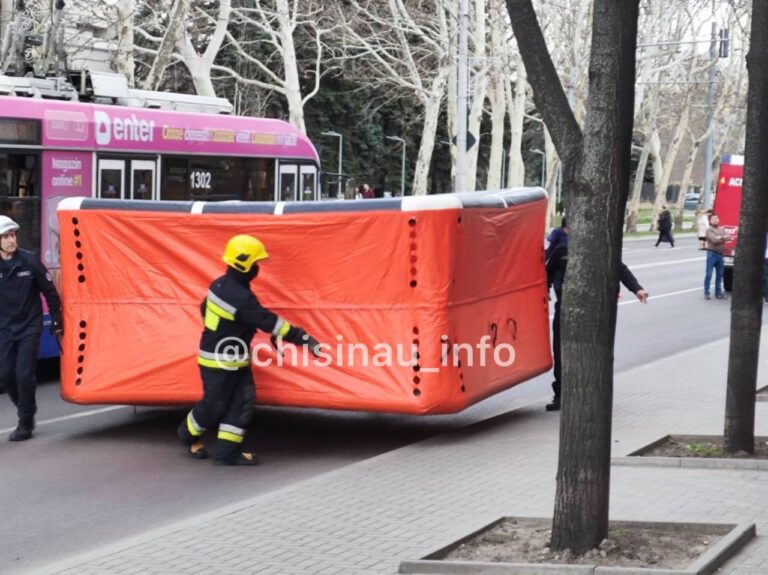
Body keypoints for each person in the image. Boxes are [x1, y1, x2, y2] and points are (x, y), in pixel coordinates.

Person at [177, 234, 321, 465]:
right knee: (215, 404)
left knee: (241, 402)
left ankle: (228, 452)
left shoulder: (221, 285)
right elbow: (267, 321)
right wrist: (302, 338)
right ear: (244, 264)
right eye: (255, 263)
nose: (257, 268)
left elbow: (206, 310)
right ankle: (188, 433)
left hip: (236, 357)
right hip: (218, 360)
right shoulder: (238, 296)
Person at [545, 233, 648, 412]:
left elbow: (620, 269)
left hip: (591, 312)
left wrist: (637, 289)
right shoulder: (561, 250)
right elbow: (547, 271)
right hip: (565, 309)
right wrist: (545, 289)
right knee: (561, 353)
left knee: (591, 352)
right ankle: (560, 395)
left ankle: (590, 393)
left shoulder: (600, 249)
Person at [0, 215, 63, 441]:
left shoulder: (30, 261)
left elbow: (50, 292)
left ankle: (25, 422)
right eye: (6, 236)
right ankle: (24, 408)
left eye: (13, 235)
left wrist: (56, 322)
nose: (11, 240)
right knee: (6, 375)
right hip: (5, 329)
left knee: (24, 375)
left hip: (29, 326)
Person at [703, 214, 731, 300]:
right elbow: (714, 240)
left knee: (720, 275)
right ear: (710, 221)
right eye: (713, 219)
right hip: (712, 254)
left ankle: (718, 293)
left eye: (716, 218)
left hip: (720, 254)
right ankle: (706, 292)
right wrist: (723, 238)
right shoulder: (709, 230)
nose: (715, 220)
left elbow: (729, 238)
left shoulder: (722, 229)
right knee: (709, 274)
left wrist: (720, 237)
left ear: (718, 220)